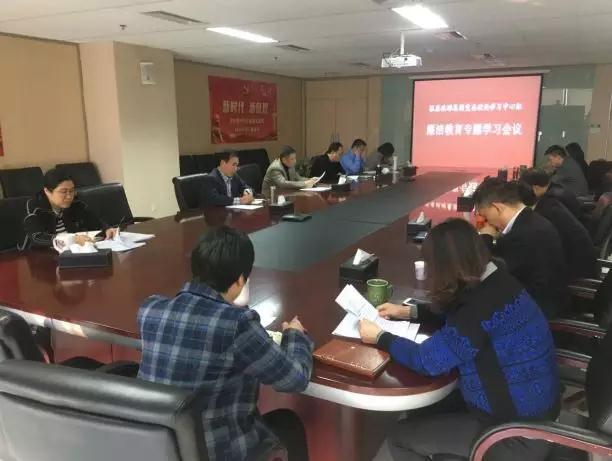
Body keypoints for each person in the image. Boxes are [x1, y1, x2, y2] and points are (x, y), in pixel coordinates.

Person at [359, 219, 559, 461]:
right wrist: (408, 311)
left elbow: (428, 361)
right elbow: (459, 309)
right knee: (422, 413)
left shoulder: (479, 307)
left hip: (513, 435)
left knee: (399, 438)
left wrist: (380, 337)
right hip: (528, 412)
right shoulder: (496, 281)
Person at [137, 226, 313, 461]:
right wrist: (295, 335)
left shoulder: (150, 309)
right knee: (288, 424)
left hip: (158, 448)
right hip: (216, 452)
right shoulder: (237, 324)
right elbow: (295, 379)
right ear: (240, 280)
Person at [473, 177, 570, 318]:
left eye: (485, 215)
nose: (486, 221)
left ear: (497, 208)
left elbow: (489, 274)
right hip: (543, 296)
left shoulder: (522, 235)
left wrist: (486, 237)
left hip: (537, 309)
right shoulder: (531, 220)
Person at [520, 170, 597, 279]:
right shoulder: (555, 193)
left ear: (535, 188)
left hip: (575, 267)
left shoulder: (551, 203)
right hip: (579, 257)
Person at [22, 168, 115, 249]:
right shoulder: (34, 207)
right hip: (39, 256)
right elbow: (36, 237)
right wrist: (72, 239)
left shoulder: (75, 203)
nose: (69, 196)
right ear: (47, 191)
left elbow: (94, 221)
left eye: (71, 190)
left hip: (70, 253)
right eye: (63, 191)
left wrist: (107, 229)